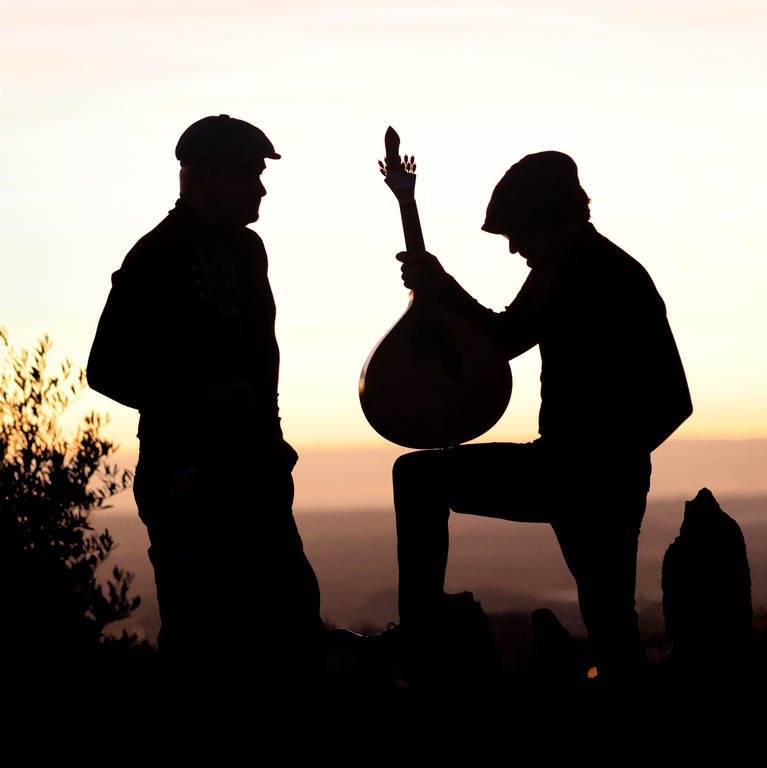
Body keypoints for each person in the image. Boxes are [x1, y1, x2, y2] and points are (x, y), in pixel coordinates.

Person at [334, 150, 693, 693]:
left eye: (518, 233)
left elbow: (672, 400)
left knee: (610, 628)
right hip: (566, 465)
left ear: (550, 220)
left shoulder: (610, 275)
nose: (514, 247)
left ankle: (420, 633)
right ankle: (421, 632)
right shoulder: (556, 270)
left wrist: (603, 465)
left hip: (591, 475)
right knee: (418, 479)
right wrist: (440, 283)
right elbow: (504, 339)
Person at [87, 115, 328, 706]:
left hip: (256, 476)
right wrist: (193, 399)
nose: (260, 189)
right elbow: (105, 369)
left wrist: (272, 450)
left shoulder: (248, 250)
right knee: (202, 640)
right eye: (248, 175)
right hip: (187, 484)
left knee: (292, 625)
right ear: (206, 178)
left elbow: (258, 359)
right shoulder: (155, 257)